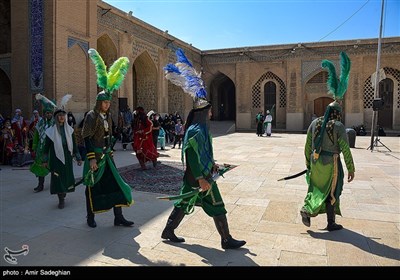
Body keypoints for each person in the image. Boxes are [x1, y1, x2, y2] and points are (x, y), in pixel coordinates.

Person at [162, 48, 246, 250]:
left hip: (202, 174)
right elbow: (191, 155)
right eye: (209, 111)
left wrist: (213, 164)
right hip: (198, 176)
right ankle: (226, 239)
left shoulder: (202, 130)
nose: (211, 114)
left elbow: (202, 153)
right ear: (203, 112)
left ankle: (168, 230)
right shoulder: (195, 131)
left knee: (184, 202)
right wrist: (201, 177)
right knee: (217, 205)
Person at [300, 52, 355, 231]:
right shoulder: (338, 126)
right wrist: (351, 168)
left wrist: (309, 163)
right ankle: (330, 223)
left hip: (316, 163)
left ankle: (307, 209)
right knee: (332, 192)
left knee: (315, 188)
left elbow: (308, 146)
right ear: (337, 113)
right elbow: (345, 149)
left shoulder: (314, 123)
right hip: (331, 163)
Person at [82, 48, 133, 228]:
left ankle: (118, 217)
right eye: (105, 102)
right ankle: (90, 217)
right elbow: (86, 138)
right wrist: (91, 159)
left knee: (115, 185)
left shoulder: (108, 117)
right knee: (93, 186)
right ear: (98, 102)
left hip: (107, 157)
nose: (107, 104)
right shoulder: (91, 116)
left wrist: (111, 147)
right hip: (96, 158)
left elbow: (109, 135)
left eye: (109, 102)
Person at [42, 105, 82, 209]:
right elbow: (46, 148)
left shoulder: (70, 130)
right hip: (56, 159)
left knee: (67, 177)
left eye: (63, 115)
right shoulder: (50, 132)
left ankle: (64, 192)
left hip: (68, 158)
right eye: (59, 116)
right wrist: (45, 160)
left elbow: (74, 145)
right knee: (57, 177)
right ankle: (61, 199)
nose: (61, 117)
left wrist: (78, 157)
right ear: (56, 117)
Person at [30, 94, 56, 193]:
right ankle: (40, 185)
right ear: (44, 114)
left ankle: (55, 184)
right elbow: (36, 136)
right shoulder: (40, 124)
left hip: (52, 149)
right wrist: (34, 147)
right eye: (46, 113)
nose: (48, 114)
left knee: (53, 168)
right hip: (41, 150)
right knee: (40, 167)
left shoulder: (55, 124)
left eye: (50, 113)